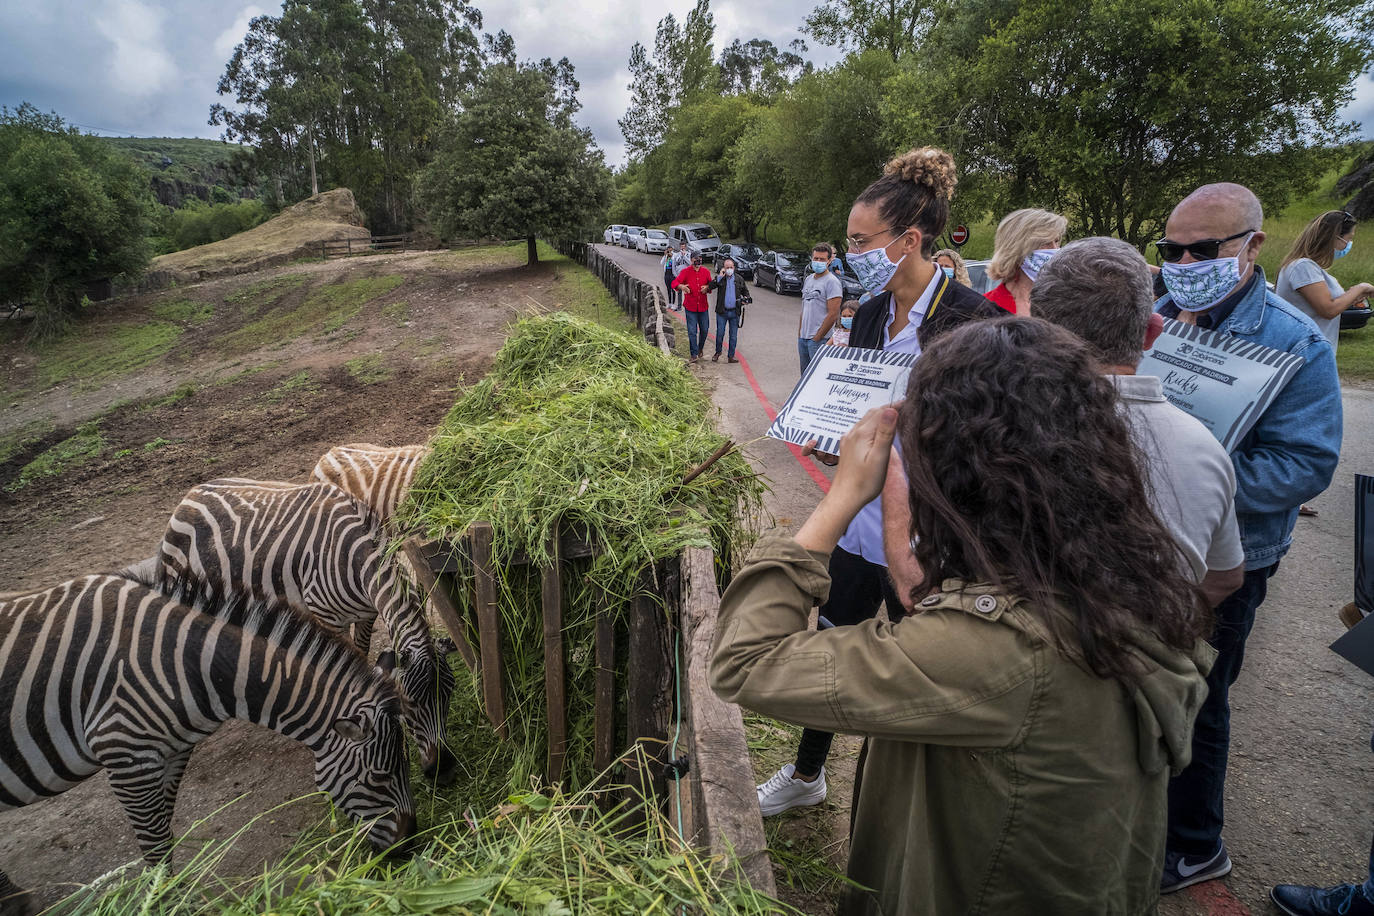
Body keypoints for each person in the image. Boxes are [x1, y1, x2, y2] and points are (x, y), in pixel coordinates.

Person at [711, 317, 1214, 915]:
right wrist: (902, 485)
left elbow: (746, 661)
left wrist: (842, 498)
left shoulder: (997, 654)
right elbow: (925, 593)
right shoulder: (1104, 576)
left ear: (955, 474)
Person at [753, 146, 1000, 818]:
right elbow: (856, 409)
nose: (851, 252)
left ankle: (914, 808)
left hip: (932, 536)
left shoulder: (976, 323)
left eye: (860, 242)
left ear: (909, 241)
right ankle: (808, 774)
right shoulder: (867, 312)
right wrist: (834, 441)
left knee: (924, 671)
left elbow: (986, 448)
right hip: (860, 524)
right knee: (833, 645)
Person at [1154, 182, 1343, 893]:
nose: (1185, 262)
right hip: (1146, 540)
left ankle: (1197, 844)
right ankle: (1149, 812)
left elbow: (1305, 463)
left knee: (1202, 696)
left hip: (1226, 557)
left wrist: (1189, 477)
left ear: (1253, 245)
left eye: (1205, 248)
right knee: (1150, 681)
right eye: (1172, 249)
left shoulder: (1293, 342)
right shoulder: (1162, 317)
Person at [1024, 237, 1245, 603]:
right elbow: (1226, 577)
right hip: (1150, 651)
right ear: (1152, 331)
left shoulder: (990, 422)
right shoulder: (1206, 450)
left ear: (1035, 327)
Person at [1276, 210, 1373, 351]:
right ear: (1335, 237)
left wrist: (1352, 296)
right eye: (1349, 238)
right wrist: (1361, 287)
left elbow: (1317, 306)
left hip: (1315, 353)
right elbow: (1328, 309)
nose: (1349, 244)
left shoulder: (1309, 268)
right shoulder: (1303, 267)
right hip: (1305, 353)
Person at [984, 208, 1067, 314]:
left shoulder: (1064, 304)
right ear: (1017, 248)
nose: (1055, 249)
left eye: (1056, 241)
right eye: (1044, 242)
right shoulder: (985, 307)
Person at [798, 243, 844, 374]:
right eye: (816, 258)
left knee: (818, 377)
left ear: (829, 261)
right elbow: (804, 308)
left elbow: (833, 314)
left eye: (822, 259)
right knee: (805, 377)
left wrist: (817, 338)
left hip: (819, 340)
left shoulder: (832, 282)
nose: (818, 262)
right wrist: (800, 334)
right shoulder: (808, 279)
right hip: (803, 338)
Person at [707, 256, 751, 363]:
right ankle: (718, 352)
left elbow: (746, 292)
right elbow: (711, 286)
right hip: (722, 311)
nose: (729, 269)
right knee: (720, 333)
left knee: (733, 336)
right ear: (724, 268)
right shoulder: (721, 278)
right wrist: (719, 276)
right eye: (727, 267)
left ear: (734, 268)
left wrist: (745, 299)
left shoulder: (739, 279)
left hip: (735, 312)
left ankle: (731, 356)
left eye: (731, 267)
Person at [672, 251, 712, 363]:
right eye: (696, 259)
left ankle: (700, 348)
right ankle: (693, 354)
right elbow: (674, 283)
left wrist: (707, 288)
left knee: (704, 330)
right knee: (692, 331)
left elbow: (711, 285)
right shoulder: (685, 272)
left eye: (700, 258)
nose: (698, 261)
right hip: (690, 307)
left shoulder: (706, 271)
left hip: (703, 306)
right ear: (691, 260)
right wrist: (681, 286)